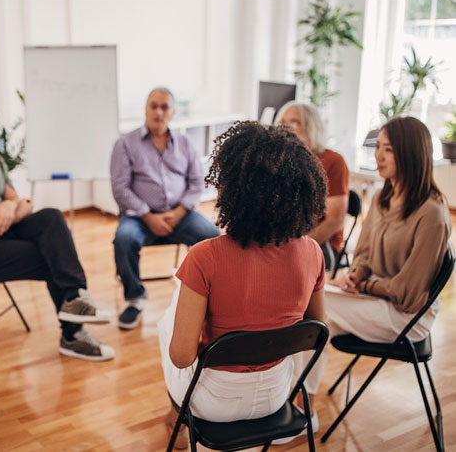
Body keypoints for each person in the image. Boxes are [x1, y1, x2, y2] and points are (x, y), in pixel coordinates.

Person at [280, 116, 453, 444]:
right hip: (376, 299)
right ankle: (296, 403)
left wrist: (367, 285)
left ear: (412, 154)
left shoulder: (432, 214)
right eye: (379, 147)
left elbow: (409, 295)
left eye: (388, 149)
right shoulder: (383, 197)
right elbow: (365, 254)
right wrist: (357, 273)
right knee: (306, 308)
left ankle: (303, 410)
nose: (378, 156)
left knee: (312, 314)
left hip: (406, 317)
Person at [157, 121, 327, 449]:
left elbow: (181, 357)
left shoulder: (204, 256)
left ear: (232, 189)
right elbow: (316, 330)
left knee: (168, 322)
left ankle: (178, 423)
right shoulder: (312, 252)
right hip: (277, 396)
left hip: (213, 403)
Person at [0, 101, 114, 361]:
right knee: (52, 257)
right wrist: (9, 207)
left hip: (2, 234)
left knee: (51, 217)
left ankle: (75, 297)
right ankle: (73, 336)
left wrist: (4, 207)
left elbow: (25, 204)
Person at [110, 88, 220, 330]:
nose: (158, 112)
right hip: (139, 216)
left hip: (180, 213)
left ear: (173, 112)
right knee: (123, 240)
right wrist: (149, 217)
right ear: (146, 109)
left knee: (214, 239)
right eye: (153, 106)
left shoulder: (185, 143)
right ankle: (134, 299)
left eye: (164, 107)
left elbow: (196, 183)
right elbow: (120, 189)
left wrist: (179, 212)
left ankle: (211, 298)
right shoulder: (125, 144)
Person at [275, 101, 349, 270]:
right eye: (283, 122)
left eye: (295, 122)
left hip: (320, 244)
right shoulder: (279, 160)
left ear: (312, 127)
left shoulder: (333, 162)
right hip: (283, 240)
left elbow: (335, 220)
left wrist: (297, 247)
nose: (286, 127)